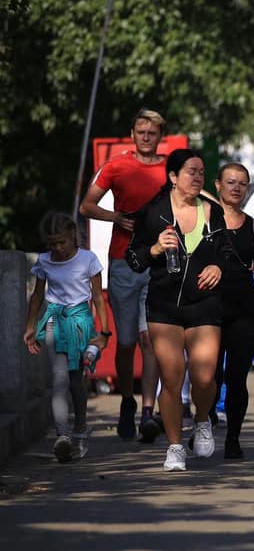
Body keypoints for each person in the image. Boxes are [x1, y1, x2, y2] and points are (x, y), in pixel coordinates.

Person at [126, 149, 230, 471]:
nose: (198, 177)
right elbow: (133, 259)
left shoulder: (212, 212)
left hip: (204, 304)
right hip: (165, 306)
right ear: (173, 176)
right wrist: (155, 248)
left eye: (201, 172)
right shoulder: (154, 212)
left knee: (205, 374)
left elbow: (227, 252)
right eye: (191, 172)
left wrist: (218, 267)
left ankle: (201, 420)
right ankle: (174, 447)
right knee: (172, 379)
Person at [79, 108, 167, 442]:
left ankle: (148, 411)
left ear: (160, 135)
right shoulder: (116, 165)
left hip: (158, 263)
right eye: (141, 132)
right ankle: (128, 402)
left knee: (151, 339)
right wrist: (115, 217)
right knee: (127, 341)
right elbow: (86, 206)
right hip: (123, 262)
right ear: (133, 133)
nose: (146, 137)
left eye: (153, 133)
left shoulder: (170, 169)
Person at [24, 213, 110, 462]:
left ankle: (80, 428)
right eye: (52, 244)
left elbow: (97, 298)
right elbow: (37, 296)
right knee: (59, 378)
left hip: (80, 323)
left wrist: (104, 332)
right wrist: (31, 326)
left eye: (62, 242)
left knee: (76, 379)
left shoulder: (88, 260)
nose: (57, 248)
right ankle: (62, 435)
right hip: (53, 320)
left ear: (73, 236)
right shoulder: (44, 262)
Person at [213, 163, 254, 459]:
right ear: (218, 186)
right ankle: (205, 419)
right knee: (207, 375)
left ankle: (233, 438)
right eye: (231, 182)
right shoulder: (203, 223)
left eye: (242, 183)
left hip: (245, 310)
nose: (236, 188)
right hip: (209, 310)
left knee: (236, 377)